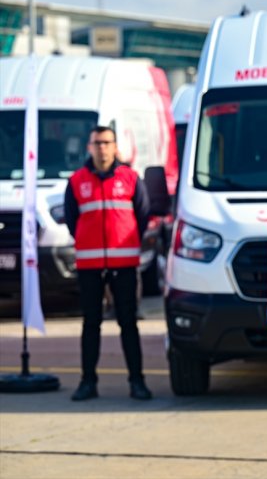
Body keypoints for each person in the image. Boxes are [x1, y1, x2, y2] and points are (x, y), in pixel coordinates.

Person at [64, 126, 153, 401]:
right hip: (90, 265)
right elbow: (71, 219)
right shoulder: (77, 181)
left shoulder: (130, 178)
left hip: (123, 263)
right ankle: (87, 382)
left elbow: (143, 214)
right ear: (89, 147)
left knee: (128, 323)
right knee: (91, 323)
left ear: (115, 147)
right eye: (97, 143)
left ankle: (137, 382)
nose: (102, 148)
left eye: (106, 143)